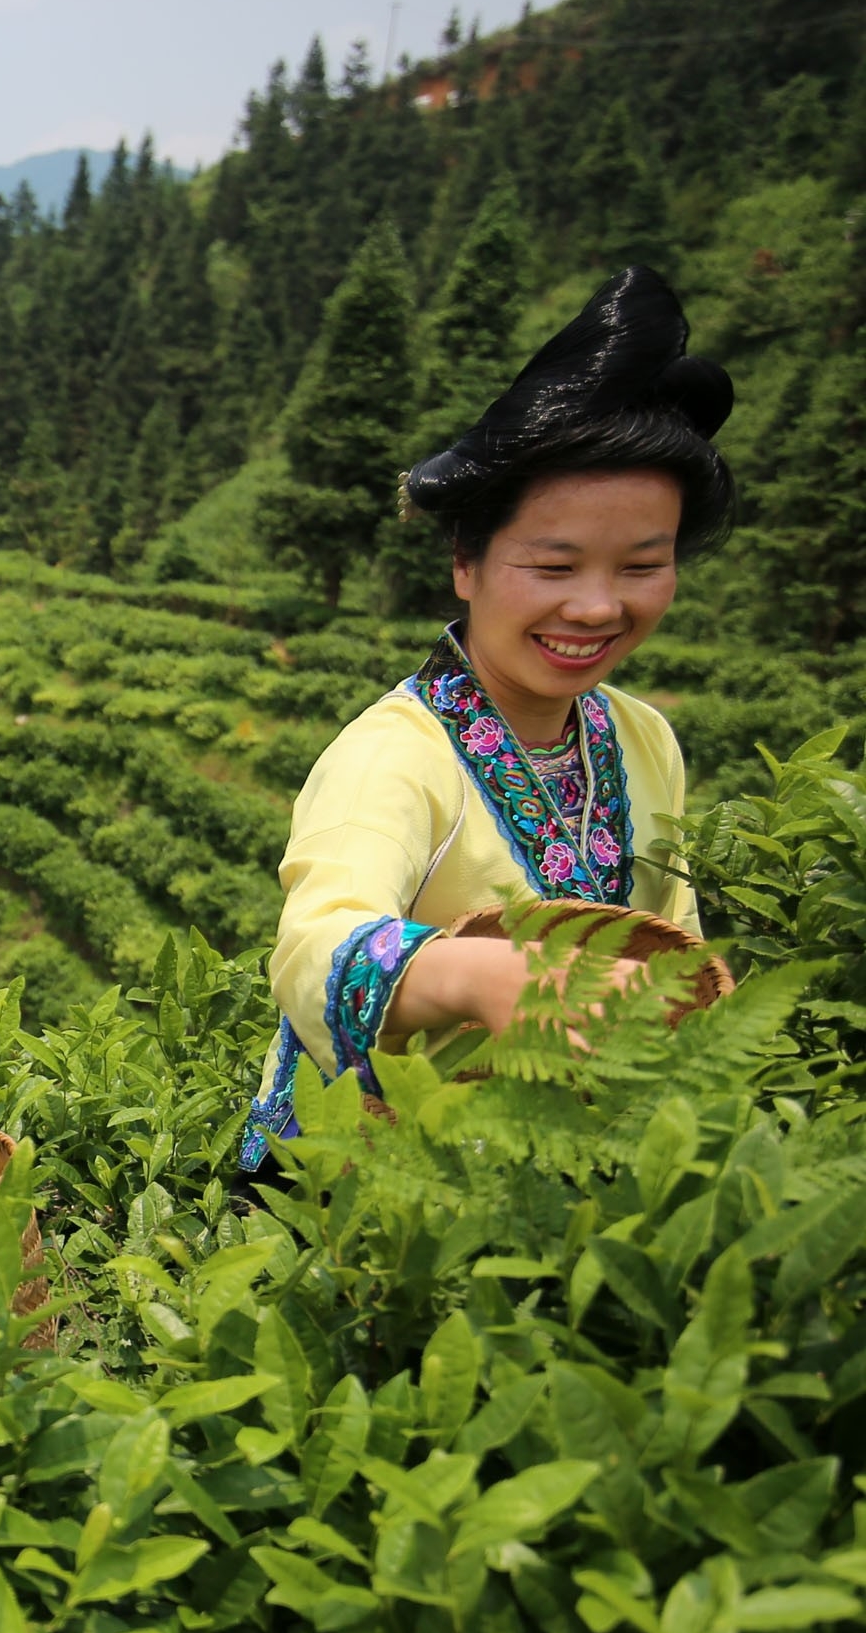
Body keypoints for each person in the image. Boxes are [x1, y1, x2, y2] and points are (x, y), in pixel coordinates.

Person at [239, 267, 726, 1172]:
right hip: (370, 1191)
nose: (595, 607)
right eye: (553, 567)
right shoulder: (392, 756)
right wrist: (472, 975)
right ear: (467, 560)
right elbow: (316, 941)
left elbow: (674, 933)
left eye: (640, 566)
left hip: (567, 1161)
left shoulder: (643, 736)